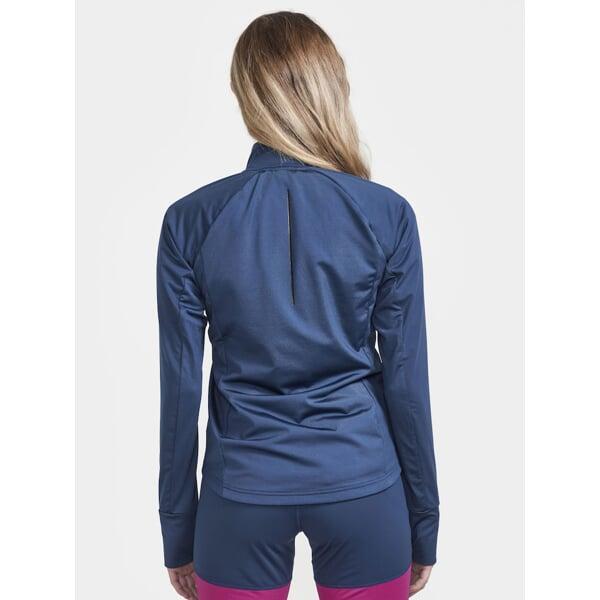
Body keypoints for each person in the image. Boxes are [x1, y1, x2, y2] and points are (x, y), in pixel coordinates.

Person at [157, 11, 439, 600]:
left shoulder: (191, 221)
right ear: (332, 87)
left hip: (241, 494)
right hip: (364, 485)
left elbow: (181, 391)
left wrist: (179, 531)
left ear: (246, 95)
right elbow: (408, 383)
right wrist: (423, 522)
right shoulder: (387, 214)